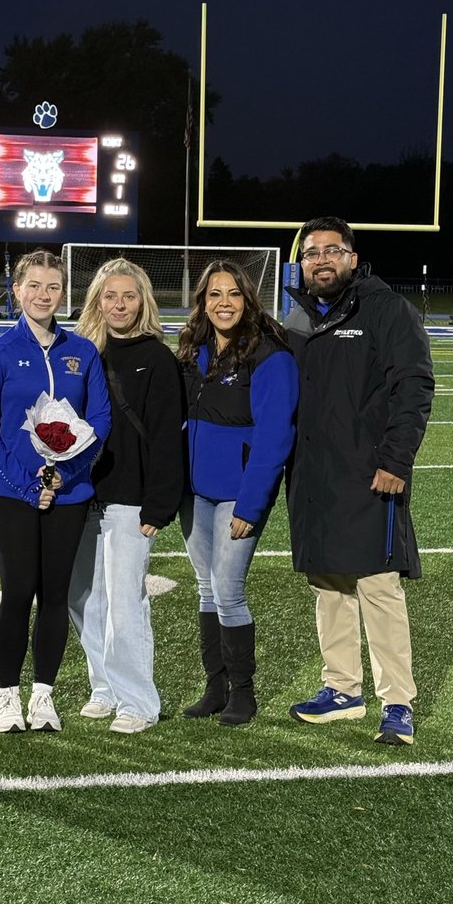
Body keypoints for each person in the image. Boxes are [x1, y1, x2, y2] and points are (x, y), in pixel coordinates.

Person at [284, 217, 434, 746]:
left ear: (352, 257)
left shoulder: (386, 309)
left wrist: (396, 461)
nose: (320, 261)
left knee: (377, 584)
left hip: (371, 474)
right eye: (311, 254)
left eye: (331, 251)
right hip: (313, 477)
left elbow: (413, 388)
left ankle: (397, 702)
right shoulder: (300, 317)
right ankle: (343, 689)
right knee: (328, 581)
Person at [0, 249, 111, 734]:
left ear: (63, 293)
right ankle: (6, 697)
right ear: (17, 290)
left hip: (69, 495)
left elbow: (99, 422)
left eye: (52, 287)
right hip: (14, 496)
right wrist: (24, 483)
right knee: (17, 592)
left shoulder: (83, 352)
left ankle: (43, 697)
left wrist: (63, 477)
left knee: (55, 595)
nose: (43, 295)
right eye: (34, 285)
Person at [177, 261, 299, 726]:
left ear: (248, 300)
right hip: (196, 492)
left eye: (232, 294)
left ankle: (243, 692)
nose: (223, 303)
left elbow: (274, 438)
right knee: (206, 588)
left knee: (228, 589)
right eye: (214, 294)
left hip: (237, 495)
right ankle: (216, 686)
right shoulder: (193, 349)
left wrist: (251, 504)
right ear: (203, 301)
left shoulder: (270, 356)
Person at [68, 258, 184, 733]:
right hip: (82, 496)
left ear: (143, 301)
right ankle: (105, 686)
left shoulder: (156, 357)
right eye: (110, 295)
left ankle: (138, 701)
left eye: (129, 295)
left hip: (131, 499)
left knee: (124, 601)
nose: (119, 304)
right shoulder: (81, 353)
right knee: (82, 598)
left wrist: (159, 502)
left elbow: (166, 437)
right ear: (97, 299)